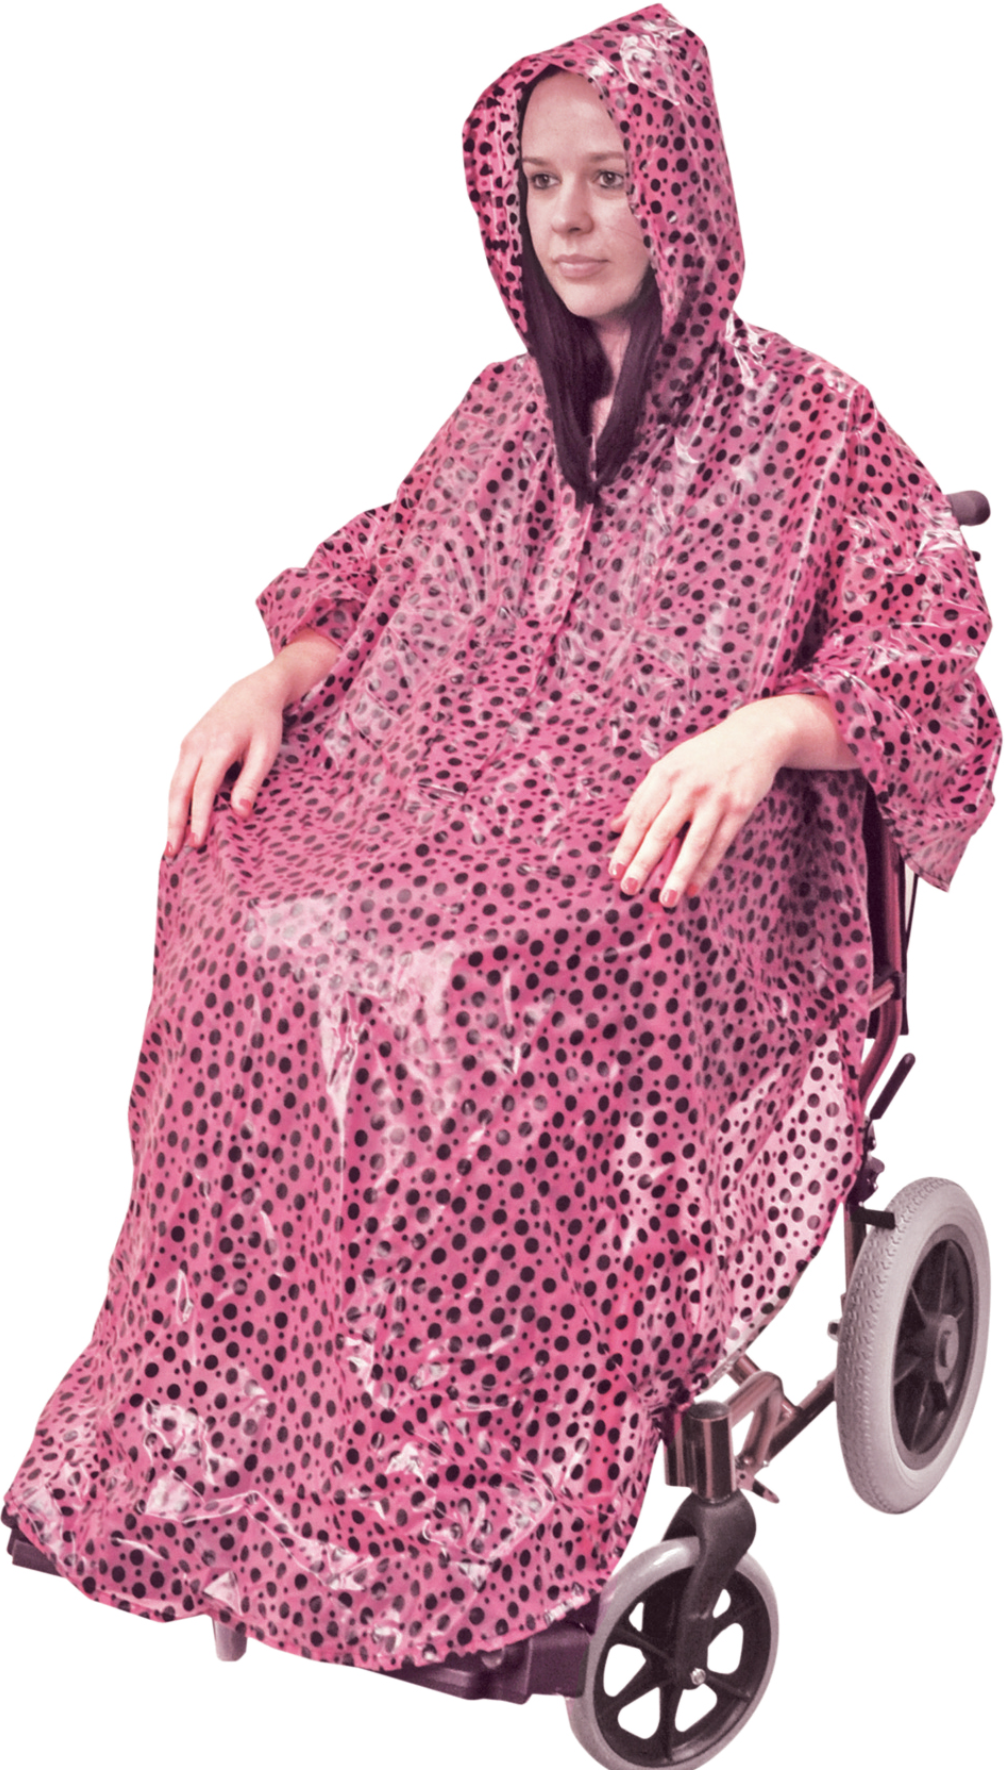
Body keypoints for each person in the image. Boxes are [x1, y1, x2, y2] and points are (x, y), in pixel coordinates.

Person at [4, 5, 997, 1682]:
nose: (575, 217)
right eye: (543, 183)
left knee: (469, 985)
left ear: (683, 184)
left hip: (673, 857)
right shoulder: (495, 413)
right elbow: (387, 570)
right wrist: (282, 673)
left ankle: (471, 1474)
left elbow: (926, 654)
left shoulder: (814, 427)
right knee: (243, 911)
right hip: (453, 807)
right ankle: (231, 1423)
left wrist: (768, 728)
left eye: (613, 176)